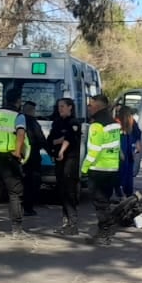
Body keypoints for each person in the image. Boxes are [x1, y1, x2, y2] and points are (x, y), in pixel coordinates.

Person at [0, 92, 29, 237]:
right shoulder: (18, 116)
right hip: (10, 159)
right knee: (14, 194)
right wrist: (17, 151)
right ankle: (16, 229)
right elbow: (21, 134)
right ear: (18, 101)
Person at [82, 93, 123, 246]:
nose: (88, 108)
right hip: (112, 168)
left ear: (97, 106)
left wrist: (84, 168)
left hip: (98, 169)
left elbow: (94, 150)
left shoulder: (96, 125)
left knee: (100, 204)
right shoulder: (113, 123)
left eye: (90, 105)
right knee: (105, 200)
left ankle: (104, 232)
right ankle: (106, 229)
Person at [48, 97, 82, 236]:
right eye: (59, 106)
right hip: (59, 160)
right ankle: (65, 222)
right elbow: (50, 140)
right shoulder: (57, 122)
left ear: (70, 107)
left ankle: (72, 223)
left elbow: (69, 138)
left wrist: (61, 149)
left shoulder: (74, 122)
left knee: (69, 192)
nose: (60, 108)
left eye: (62, 106)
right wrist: (57, 142)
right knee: (61, 191)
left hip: (70, 160)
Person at [20, 99, 48, 217]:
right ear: (32, 111)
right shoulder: (33, 122)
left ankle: (20, 206)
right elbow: (41, 139)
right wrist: (51, 151)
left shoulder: (17, 120)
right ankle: (28, 208)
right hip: (32, 156)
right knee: (32, 183)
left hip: (18, 155)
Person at [117, 105, 140, 197]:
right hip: (125, 148)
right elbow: (116, 139)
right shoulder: (120, 122)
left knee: (125, 172)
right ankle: (124, 192)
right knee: (125, 172)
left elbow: (137, 133)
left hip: (126, 148)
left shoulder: (128, 121)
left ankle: (125, 192)